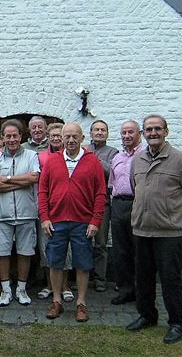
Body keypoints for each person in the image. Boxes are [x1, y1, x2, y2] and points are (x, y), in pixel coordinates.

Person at [126, 115, 182, 345]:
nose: (153, 133)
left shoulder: (179, 160)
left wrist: (177, 218)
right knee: (143, 278)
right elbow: (134, 188)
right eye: (148, 129)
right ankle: (147, 316)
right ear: (143, 134)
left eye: (157, 128)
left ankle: (177, 323)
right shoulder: (137, 160)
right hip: (141, 231)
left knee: (170, 279)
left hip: (169, 234)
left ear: (166, 131)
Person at [38, 123, 107, 322]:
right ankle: (57, 301)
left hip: (82, 223)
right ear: (61, 137)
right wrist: (45, 217)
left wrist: (95, 221)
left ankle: (81, 303)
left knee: (83, 264)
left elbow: (100, 193)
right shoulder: (52, 161)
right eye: (66, 136)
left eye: (74, 136)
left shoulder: (92, 161)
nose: (70, 140)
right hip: (56, 222)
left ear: (82, 138)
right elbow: (43, 191)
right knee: (55, 262)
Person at [0, 119, 40, 307]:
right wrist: (20, 181)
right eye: (8, 136)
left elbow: (33, 178)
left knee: (25, 252)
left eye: (15, 136)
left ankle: (21, 289)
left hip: (27, 213)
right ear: (2, 138)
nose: (11, 139)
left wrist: (7, 179)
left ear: (21, 136)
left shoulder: (32, 156)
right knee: (2, 252)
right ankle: (6, 290)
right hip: (3, 215)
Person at [108, 120, 146, 305]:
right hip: (118, 205)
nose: (127, 136)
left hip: (138, 204)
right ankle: (125, 290)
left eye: (130, 132)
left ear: (139, 134)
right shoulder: (117, 157)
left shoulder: (146, 156)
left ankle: (142, 291)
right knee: (120, 249)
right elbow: (112, 183)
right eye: (123, 133)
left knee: (139, 249)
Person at [37, 122, 74, 303]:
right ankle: (50, 285)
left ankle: (65, 285)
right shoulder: (42, 156)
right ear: (48, 138)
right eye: (53, 136)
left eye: (60, 135)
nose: (56, 138)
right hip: (47, 207)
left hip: (65, 209)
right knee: (46, 248)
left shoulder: (72, 158)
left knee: (65, 250)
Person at [86, 120, 118, 292]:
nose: (99, 132)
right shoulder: (83, 148)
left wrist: (93, 159)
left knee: (100, 243)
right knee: (82, 242)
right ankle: (82, 275)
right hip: (83, 203)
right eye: (96, 130)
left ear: (107, 133)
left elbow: (111, 172)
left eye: (103, 130)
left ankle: (100, 278)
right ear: (90, 133)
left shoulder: (113, 152)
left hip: (102, 204)